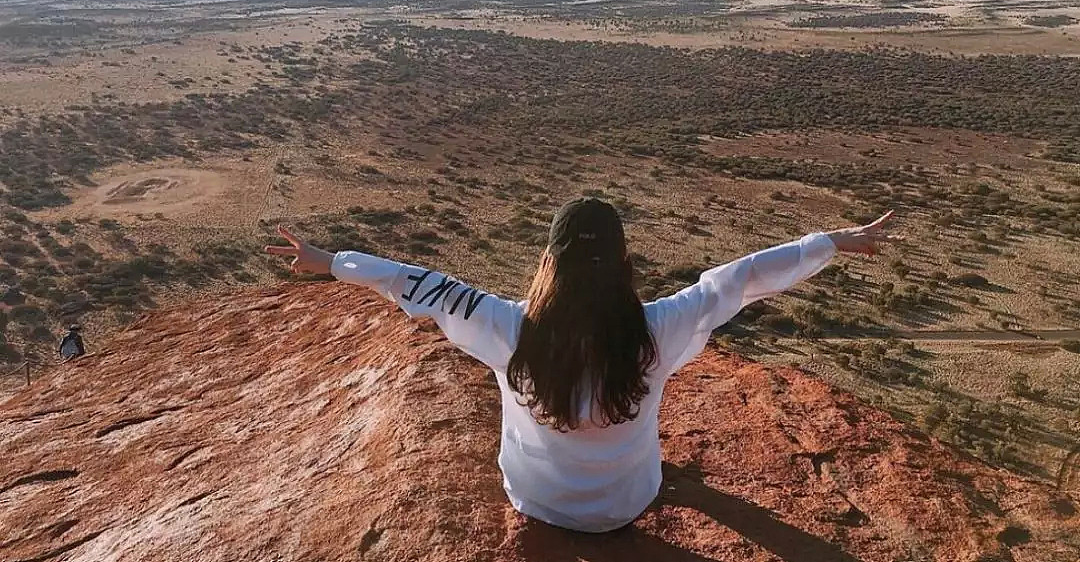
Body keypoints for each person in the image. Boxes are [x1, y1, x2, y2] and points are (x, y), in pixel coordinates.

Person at [265, 199, 897, 533]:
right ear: (624, 264)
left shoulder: (507, 328)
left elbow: (420, 282)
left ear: (550, 266)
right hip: (629, 503)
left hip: (534, 502)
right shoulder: (658, 329)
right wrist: (832, 243)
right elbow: (739, 280)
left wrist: (333, 260)